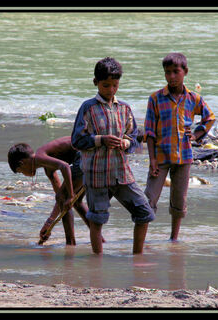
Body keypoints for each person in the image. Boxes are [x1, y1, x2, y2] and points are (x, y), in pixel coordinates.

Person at [71, 57, 155, 255]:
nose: (110, 90)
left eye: (114, 85)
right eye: (105, 85)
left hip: (121, 173)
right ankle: (97, 261)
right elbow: (77, 140)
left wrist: (126, 143)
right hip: (96, 174)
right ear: (96, 83)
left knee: (144, 213)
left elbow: (134, 137)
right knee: (97, 218)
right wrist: (101, 140)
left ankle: (138, 256)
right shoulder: (88, 108)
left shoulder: (124, 109)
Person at [143, 52, 216, 241]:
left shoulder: (193, 99)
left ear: (185, 72)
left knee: (179, 200)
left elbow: (210, 117)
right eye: (168, 72)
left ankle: (173, 239)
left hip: (184, 157)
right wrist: (152, 160)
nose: (172, 76)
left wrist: (197, 134)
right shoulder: (156, 99)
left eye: (176, 72)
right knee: (148, 199)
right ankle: (141, 239)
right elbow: (149, 132)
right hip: (160, 157)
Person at [8, 137, 97, 245]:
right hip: (89, 155)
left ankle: (70, 244)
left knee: (66, 198)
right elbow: (60, 200)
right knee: (75, 202)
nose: (24, 174)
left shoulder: (40, 157)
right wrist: (49, 223)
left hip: (85, 154)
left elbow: (64, 167)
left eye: (21, 172)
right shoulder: (47, 167)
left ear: (22, 163)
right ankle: (99, 238)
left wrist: (70, 195)